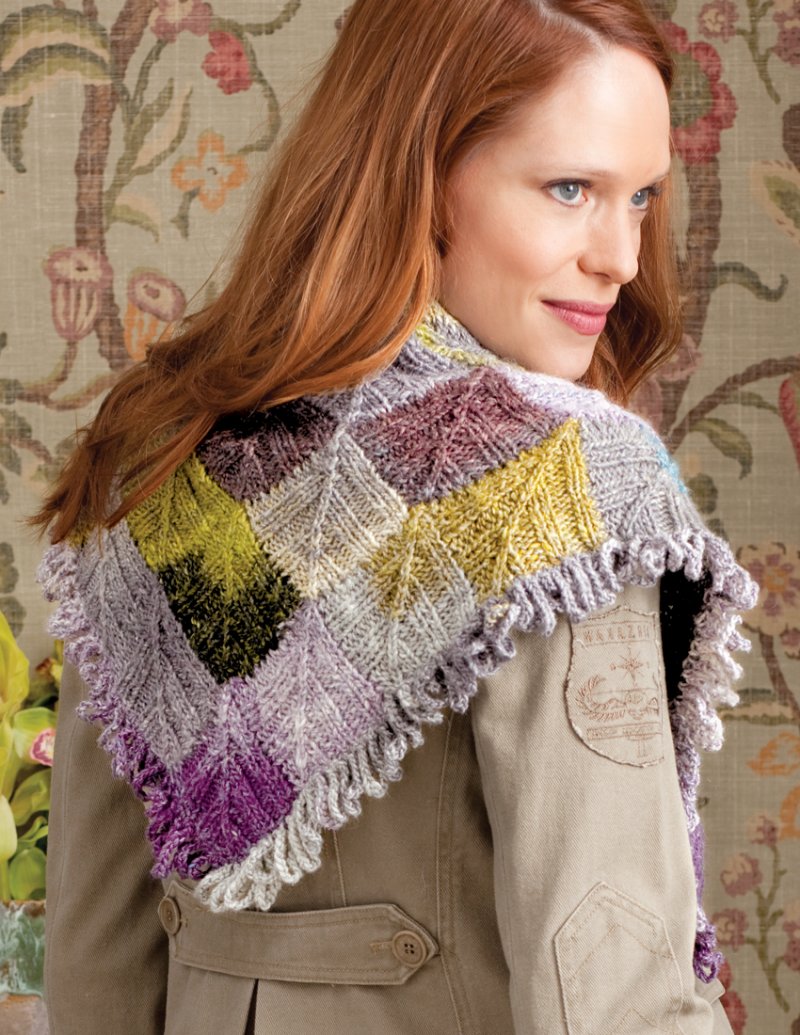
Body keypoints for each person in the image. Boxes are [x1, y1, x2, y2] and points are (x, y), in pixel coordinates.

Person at [34, 1, 757, 1032]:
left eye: (638, 198)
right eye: (569, 189)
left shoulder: (161, 440)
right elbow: (609, 985)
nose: (622, 258)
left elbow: (96, 951)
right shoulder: (562, 479)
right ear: (420, 172)